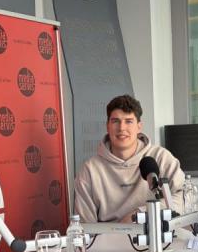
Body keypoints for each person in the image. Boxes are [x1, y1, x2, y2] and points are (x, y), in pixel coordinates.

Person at [74, 94, 185, 222]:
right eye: (115, 121)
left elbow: (184, 198)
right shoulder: (89, 170)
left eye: (128, 121)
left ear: (139, 126)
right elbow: (85, 226)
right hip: (107, 234)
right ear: (107, 126)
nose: (122, 128)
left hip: (157, 232)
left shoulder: (161, 157)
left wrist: (139, 214)